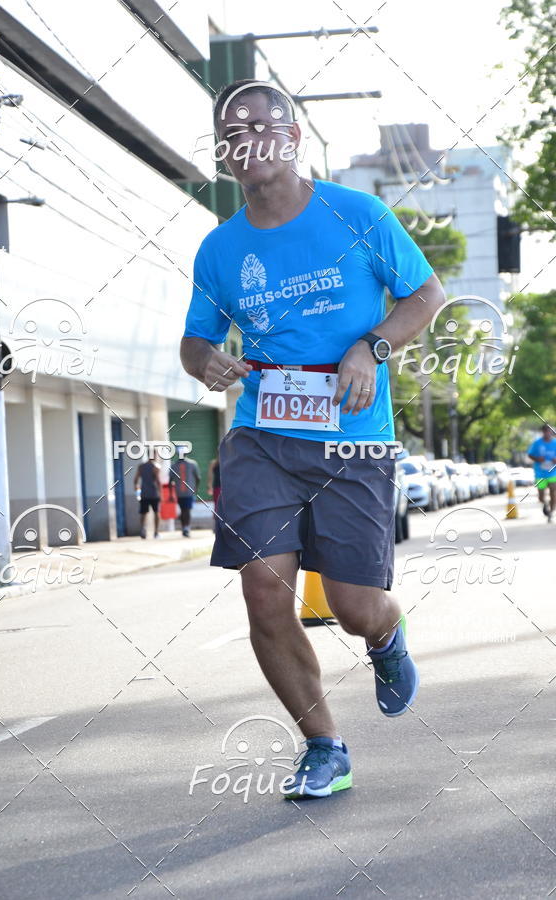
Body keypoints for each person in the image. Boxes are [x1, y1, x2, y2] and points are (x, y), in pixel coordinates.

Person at [180, 79, 446, 799]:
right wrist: (206, 361)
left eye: (261, 124)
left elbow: (426, 295)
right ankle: (324, 745)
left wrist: (374, 347)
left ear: (293, 138)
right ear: (225, 154)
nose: (247, 139)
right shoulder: (220, 250)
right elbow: (194, 343)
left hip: (354, 438)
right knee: (267, 596)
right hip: (261, 436)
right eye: (231, 131)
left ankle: (386, 638)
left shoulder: (357, 214)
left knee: (356, 605)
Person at [527, 424, 556, 522]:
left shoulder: (555, 443)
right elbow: (530, 455)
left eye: (550, 431)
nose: (548, 433)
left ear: (551, 432)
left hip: (553, 473)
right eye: (546, 431)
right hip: (540, 474)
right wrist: (537, 459)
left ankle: (551, 512)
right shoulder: (537, 443)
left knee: (553, 491)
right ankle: (545, 503)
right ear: (543, 432)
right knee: (541, 497)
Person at [169, 454, 201, 537]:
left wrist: (195, 489)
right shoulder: (174, 465)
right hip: (180, 492)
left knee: (186, 510)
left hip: (187, 492)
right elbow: (170, 480)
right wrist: (170, 494)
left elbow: (197, 478)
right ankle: (184, 528)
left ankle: (186, 528)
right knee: (184, 510)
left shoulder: (191, 464)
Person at [133, 455, 161, 538]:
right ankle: (156, 532)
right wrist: (161, 494)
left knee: (143, 513)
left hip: (144, 493)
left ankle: (143, 530)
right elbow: (158, 482)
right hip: (154, 493)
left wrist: (138, 493)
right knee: (156, 512)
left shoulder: (141, 467)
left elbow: (135, 481)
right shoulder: (156, 467)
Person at [207, 453, 221, 529]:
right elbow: (210, 475)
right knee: (217, 505)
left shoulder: (226, 461)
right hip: (217, 487)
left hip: (225, 487)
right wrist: (209, 486)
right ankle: (216, 525)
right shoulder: (213, 463)